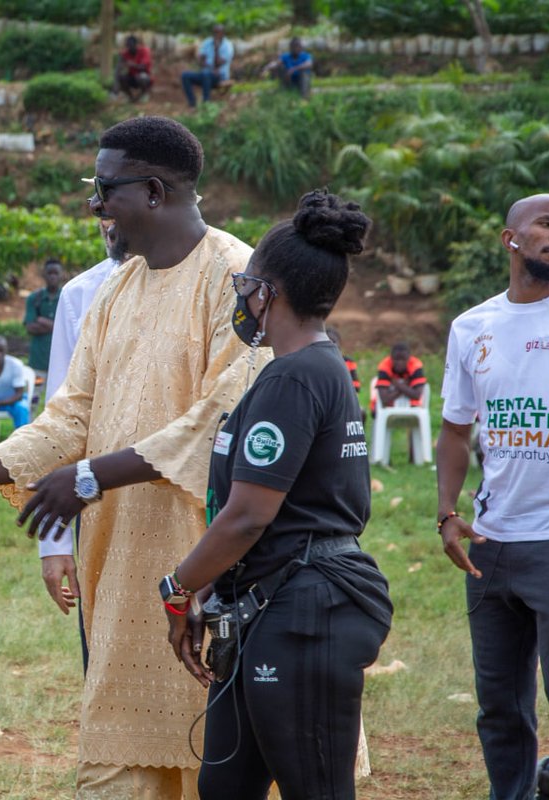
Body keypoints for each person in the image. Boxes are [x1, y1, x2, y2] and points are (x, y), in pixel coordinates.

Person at [0, 116, 257, 797]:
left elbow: (224, 419)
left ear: (156, 191)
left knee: (213, 764)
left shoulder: (237, 275)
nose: (95, 205)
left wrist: (90, 475)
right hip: (121, 566)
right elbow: (73, 412)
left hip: (205, 567)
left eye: (105, 188)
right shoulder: (117, 288)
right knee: (117, 767)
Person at [160, 190, 390, 799]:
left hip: (305, 613)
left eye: (247, 283)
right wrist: (211, 587)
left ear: (270, 292)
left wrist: (177, 589)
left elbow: (247, 517)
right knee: (224, 789)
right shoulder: (310, 368)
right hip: (265, 606)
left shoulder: (294, 376)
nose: (242, 295)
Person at [437, 193, 549, 800]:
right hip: (491, 543)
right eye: (546, 224)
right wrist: (446, 514)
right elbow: (456, 430)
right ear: (510, 239)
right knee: (499, 708)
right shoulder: (473, 327)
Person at [38, 219, 120, 647]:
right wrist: (54, 542)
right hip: (99, 504)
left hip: (187, 508)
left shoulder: (219, 275)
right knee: (105, 648)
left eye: (112, 200)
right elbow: (62, 420)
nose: (106, 219)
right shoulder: (79, 296)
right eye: (99, 207)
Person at [24, 259, 64, 383]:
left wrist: (42, 321)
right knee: (35, 397)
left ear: (61, 275)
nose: (52, 277)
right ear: (44, 275)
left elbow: (70, 328)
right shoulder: (34, 298)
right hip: (39, 361)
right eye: (49, 273)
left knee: (58, 399)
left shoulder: (66, 297)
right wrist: (58, 326)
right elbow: (30, 327)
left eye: (55, 273)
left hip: (61, 361)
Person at [181, 24, 233, 108]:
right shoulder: (207, 42)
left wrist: (216, 50)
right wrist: (205, 63)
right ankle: (192, 103)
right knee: (185, 75)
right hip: (205, 73)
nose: (216, 35)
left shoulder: (227, 46)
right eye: (214, 32)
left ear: (223, 33)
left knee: (206, 74)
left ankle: (206, 103)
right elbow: (201, 61)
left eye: (218, 33)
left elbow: (218, 63)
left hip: (220, 77)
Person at [372, 341, 426, 413]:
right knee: (376, 409)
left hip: (412, 408)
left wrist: (397, 384)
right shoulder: (384, 366)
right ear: (391, 358)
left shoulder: (416, 366)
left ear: (409, 358)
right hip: (387, 409)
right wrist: (405, 386)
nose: (400, 363)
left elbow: (417, 395)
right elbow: (384, 399)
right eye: (396, 359)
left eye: (403, 359)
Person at [115, 35, 153, 102]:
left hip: (144, 78)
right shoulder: (125, 54)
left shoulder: (144, 51)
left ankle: (143, 95)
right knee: (121, 77)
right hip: (132, 77)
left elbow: (143, 67)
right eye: (128, 46)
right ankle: (130, 97)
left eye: (131, 45)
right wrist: (115, 86)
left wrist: (132, 65)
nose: (129, 48)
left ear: (136, 45)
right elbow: (118, 69)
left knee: (142, 77)